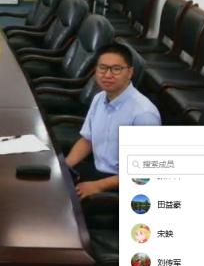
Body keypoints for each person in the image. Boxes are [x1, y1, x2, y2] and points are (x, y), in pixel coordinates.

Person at [65, 43, 161, 199]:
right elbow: (87, 140)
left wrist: (97, 186)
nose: (108, 75)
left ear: (130, 72)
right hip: (96, 170)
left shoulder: (144, 114)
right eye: (102, 68)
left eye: (116, 69)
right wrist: (65, 166)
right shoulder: (99, 98)